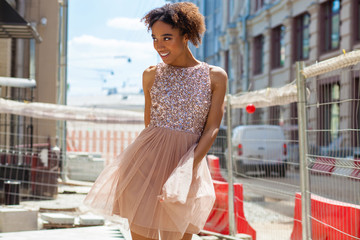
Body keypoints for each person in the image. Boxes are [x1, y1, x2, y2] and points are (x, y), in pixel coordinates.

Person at [83, 2, 227, 240]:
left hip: (187, 165)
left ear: (187, 36)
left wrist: (186, 170)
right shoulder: (151, 74)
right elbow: (150, 124)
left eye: (167, 37)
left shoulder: (215, 76)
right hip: (145, 168)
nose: (159, 45)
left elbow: (212, 127)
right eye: (155, 38)